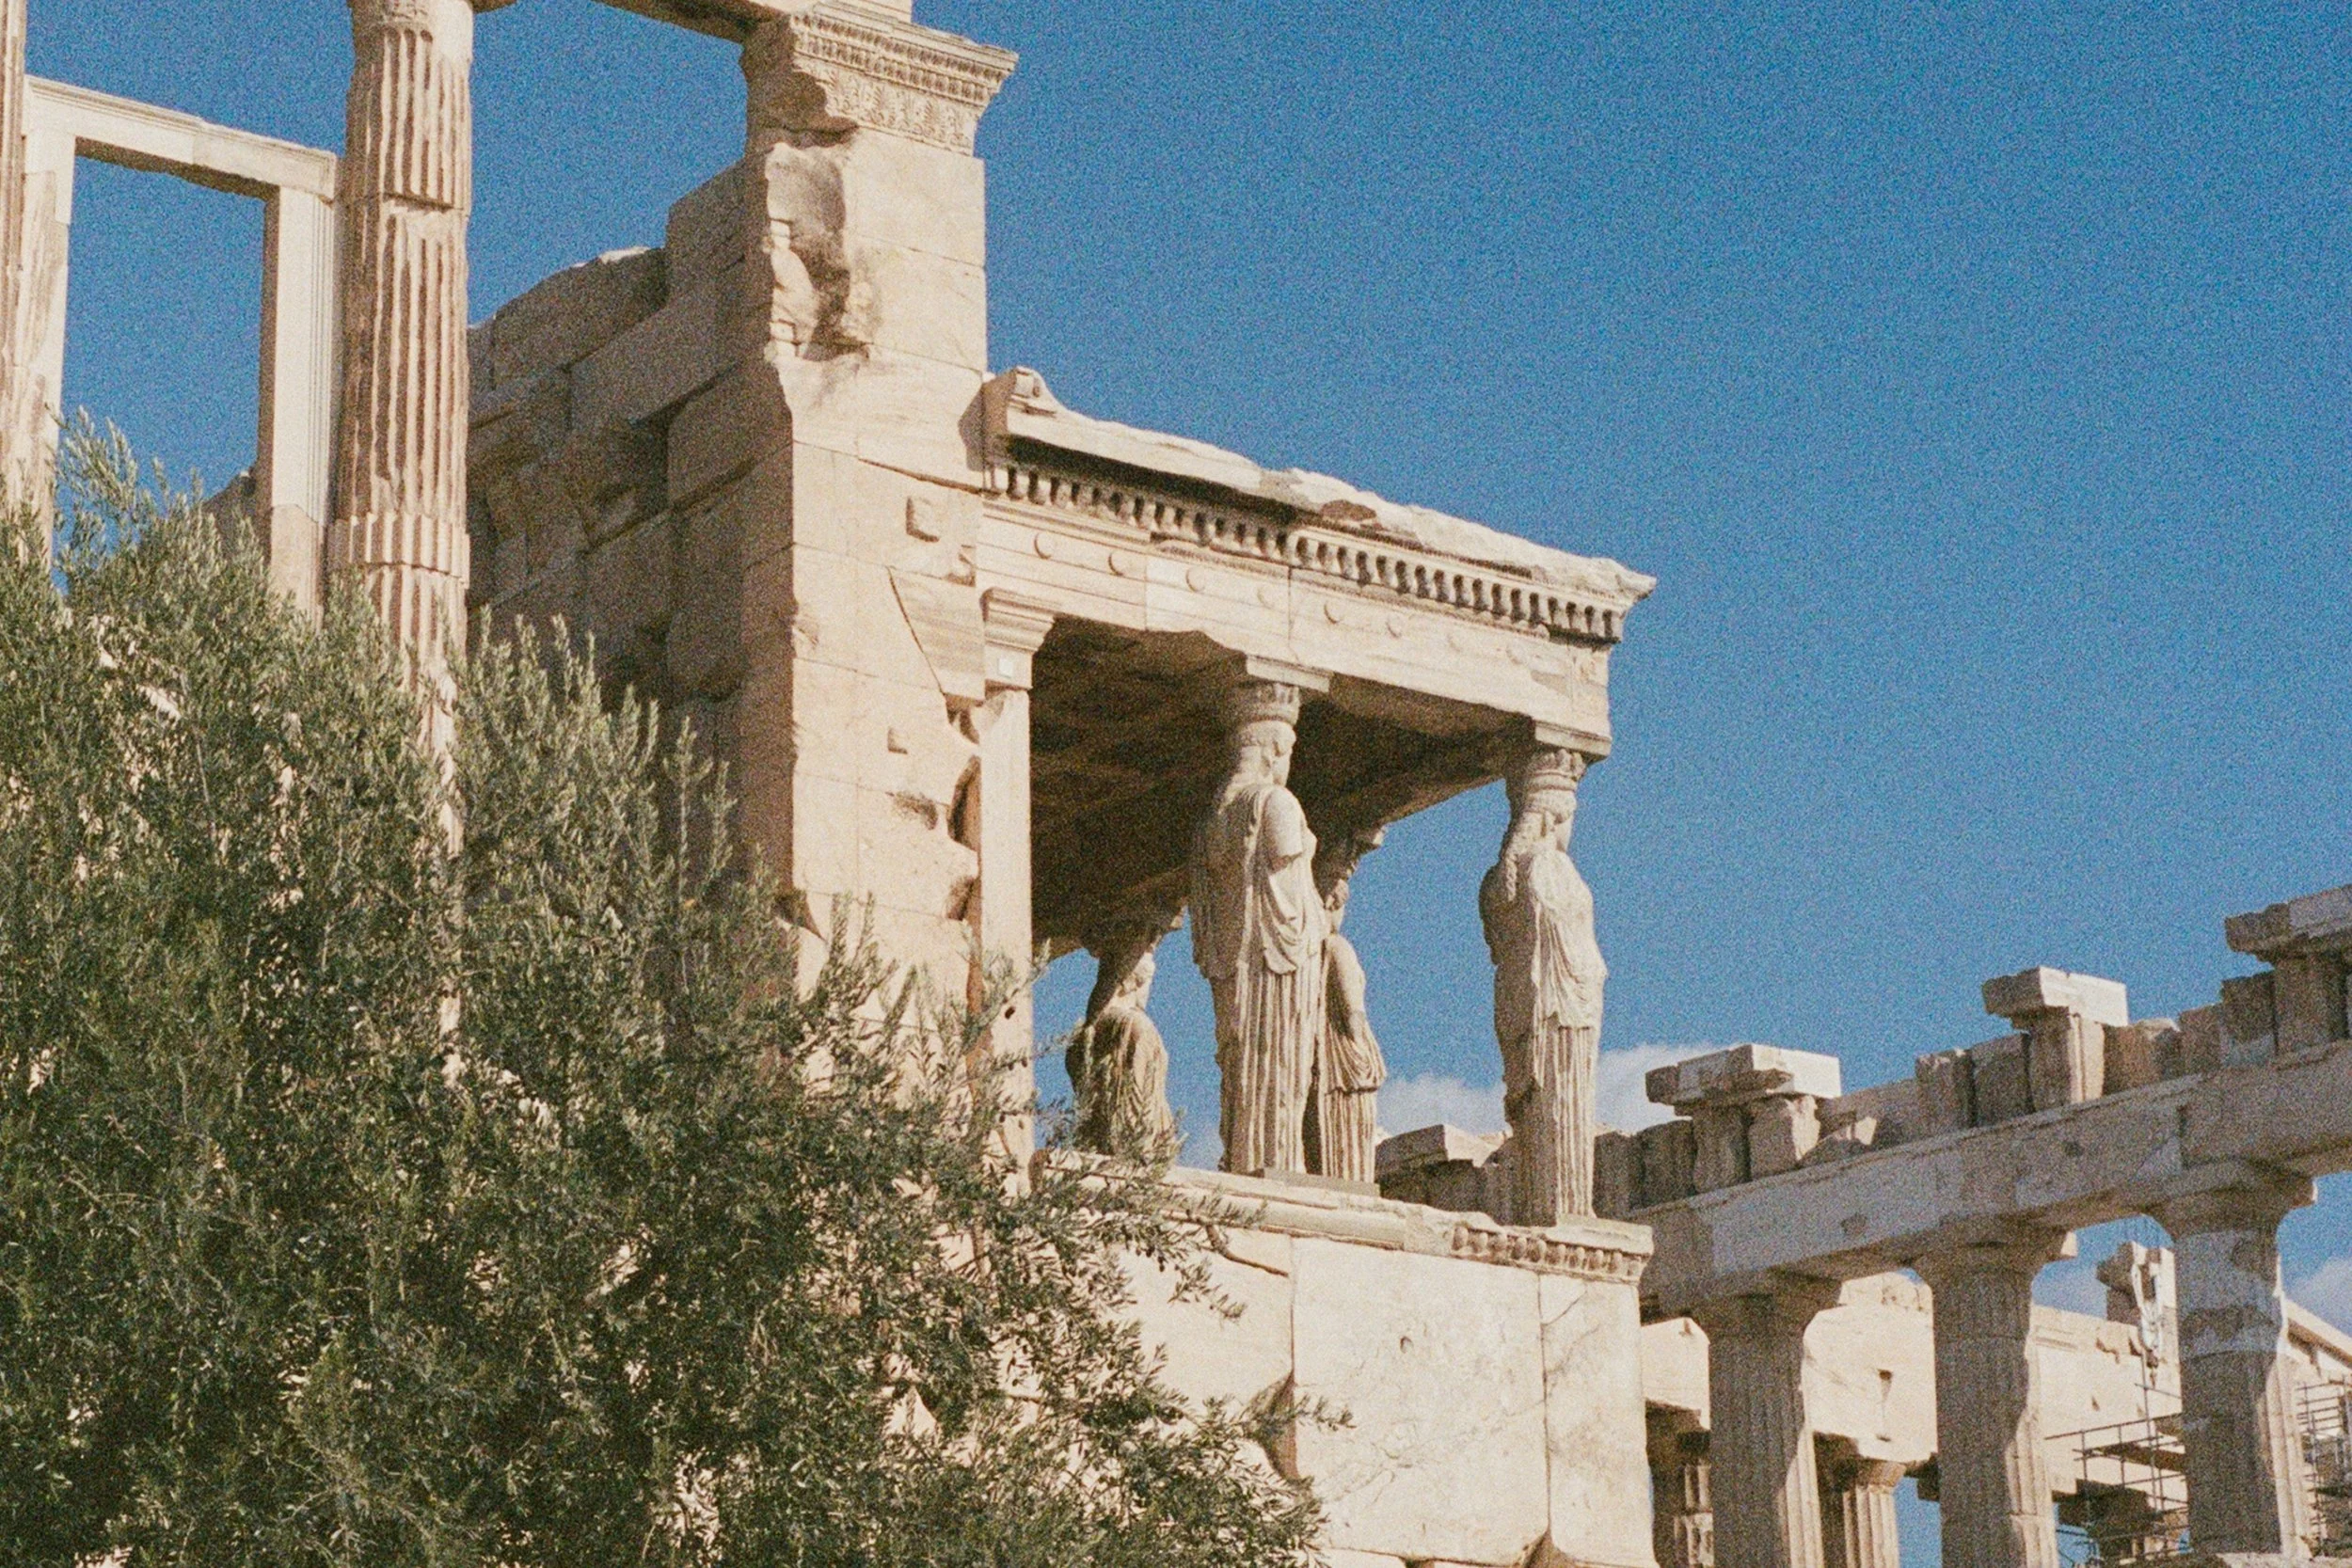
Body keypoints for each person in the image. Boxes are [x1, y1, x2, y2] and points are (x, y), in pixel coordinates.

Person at [1189, 681, 1327, 1177]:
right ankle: (1275, 1161)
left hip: (1237, 961)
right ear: (1273, 748)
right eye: (1287, 751)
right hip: (1279, 956)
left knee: (1245, 1063)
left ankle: (1248, 1155)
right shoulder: (1276, 803)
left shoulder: (1214, 818)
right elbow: (1288, 857)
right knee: (1282, 1061)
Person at [1478, 750, 1606, 1223]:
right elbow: (1569, 948)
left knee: (1535, 1106)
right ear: (1555, 816)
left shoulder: (1497, 881)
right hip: (1561, 1008)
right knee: (1563, 1104)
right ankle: (1566, 1209)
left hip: (1520, 1006)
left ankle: (1541, 1205)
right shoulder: (1551, 869)